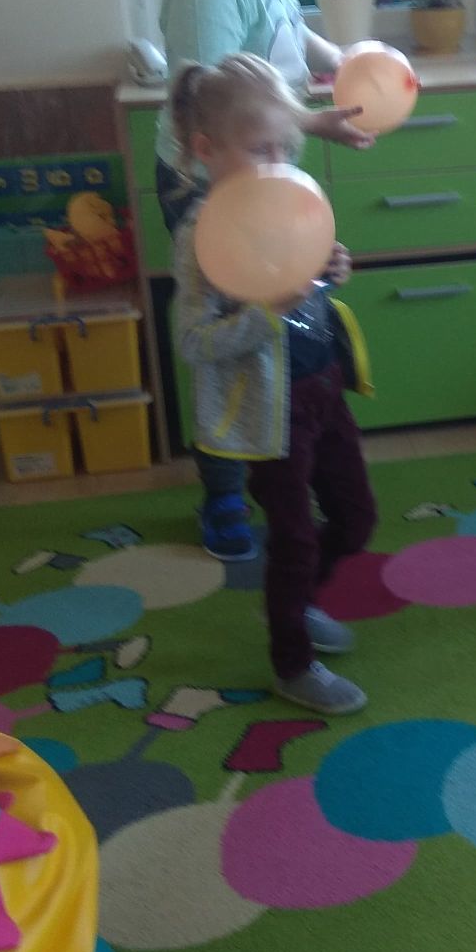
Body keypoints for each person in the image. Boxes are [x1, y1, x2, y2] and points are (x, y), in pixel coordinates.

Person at [158, 0, 374, 560]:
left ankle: (288, 458)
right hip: (209, 183)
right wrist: (312, 125)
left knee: (281, 313)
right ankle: (225, 490)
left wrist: (342, 60)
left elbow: (291, 32)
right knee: (228, 335)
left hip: (265, 175)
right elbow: (219, 103)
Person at [171, 54, 376, 714]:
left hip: (322, 388)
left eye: (286, 147)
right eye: (261, 149)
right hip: (268, 413)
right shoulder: (200, 234)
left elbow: (303, 280)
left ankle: (297, 601)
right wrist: (265, 313)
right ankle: (293, 662)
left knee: (356, 516)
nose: (279, 162)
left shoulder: (284, 200)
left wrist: (328, 268)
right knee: (293, 539)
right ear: (206, 149)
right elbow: (194, 341)